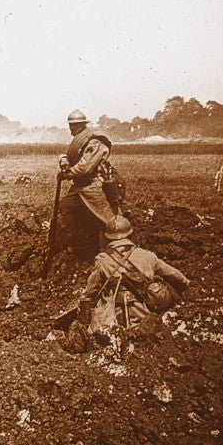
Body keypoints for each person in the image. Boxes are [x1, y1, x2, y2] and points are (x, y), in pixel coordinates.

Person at [75, 215, 189, 339]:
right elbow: (176, 276)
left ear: (107, 237)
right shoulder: (147, 255)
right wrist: (186, 285)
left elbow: (90, 293)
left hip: (116, 318)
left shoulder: (103, 260)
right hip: (147, 313)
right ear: (130, 234)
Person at [58, 109, 121, 254]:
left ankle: (115, 250)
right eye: (70, 125)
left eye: (74, 126)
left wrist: (68, 174)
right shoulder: (80, 140)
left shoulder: (95, 141)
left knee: (109, 221)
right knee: (65, 206)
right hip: (80, 187)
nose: (71, 129)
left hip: (94, 186)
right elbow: (70, 156)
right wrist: (64, 161)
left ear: (82, 125)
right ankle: (79, 238)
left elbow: (85, 167)